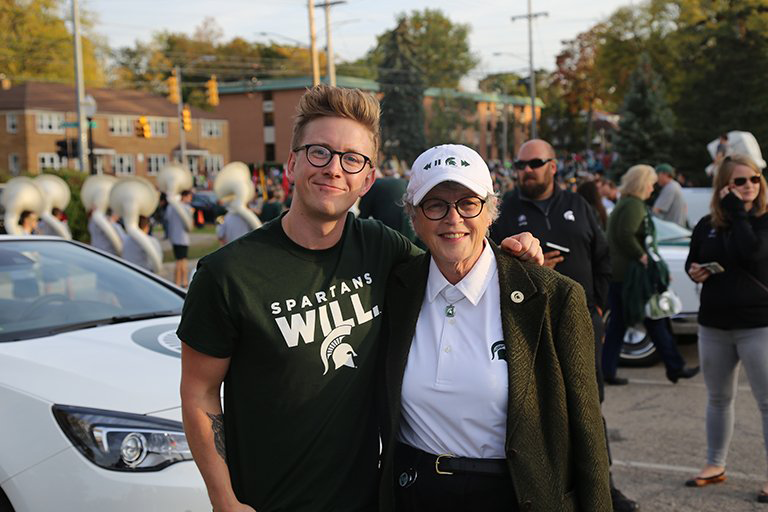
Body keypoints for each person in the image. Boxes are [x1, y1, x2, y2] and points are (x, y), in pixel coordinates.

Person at [177, 85, 542, 512]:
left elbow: (455, 254)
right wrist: (224, 500)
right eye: (319, 152)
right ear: (292, 163)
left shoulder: (381, 248)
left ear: (367, 179)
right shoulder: (227, 275)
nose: (334, 169)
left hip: (370, 501)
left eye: (352, 159)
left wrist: (512, 255)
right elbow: (200, 393)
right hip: (267, 501)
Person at [379, 144, 611, 511]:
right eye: (435, 204)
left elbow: (587, 432)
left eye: (468, 203)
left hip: (514, 496)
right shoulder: (395, 289)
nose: (453, 218)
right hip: (415, 493)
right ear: (414, 216)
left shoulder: (553, 298)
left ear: (490, 211)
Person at [490, 139, 636, 512]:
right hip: (528, 328)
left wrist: (598, 306)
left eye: (535, 163)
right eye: (520, 164)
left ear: (553, 166)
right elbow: (489, 266)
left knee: (589, 408)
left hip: (581, 324)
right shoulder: (504, 210)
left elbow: (602, 256)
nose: (526, 170)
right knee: (537, 410)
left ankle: (605, 487)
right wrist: (540, 277)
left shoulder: (578, 205)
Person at [684, 154, 768, 503]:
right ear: (724, 187)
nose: (749, 186)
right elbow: (693, 258)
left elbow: (751, 253)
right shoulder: (707, 223)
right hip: (715, 323)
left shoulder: (763, 221)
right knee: (719, 398)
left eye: (754, 179)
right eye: (739, 182)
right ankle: (715, 465)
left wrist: (737, 212)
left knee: (766, 402)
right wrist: (695, 271)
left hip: (758, 324)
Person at [602, 164, 699, 385]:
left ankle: (607, 371)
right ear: (641, 183)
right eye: (651, 184)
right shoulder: (634, 205)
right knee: (655, 318)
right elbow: (628, 235)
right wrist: (643, 257)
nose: (652, 189)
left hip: (620, 274)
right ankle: (675, 367)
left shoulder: (623, 204)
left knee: (619, 324)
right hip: (633, 276)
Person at [358, 165, 417, 242]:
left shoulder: (373, 187)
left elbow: (362, 217)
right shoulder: (401, 182)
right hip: (412, 230)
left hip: (389, 236)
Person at [166, 189, 193, 287]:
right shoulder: (186, 208)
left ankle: (177, 281)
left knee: (178, 259)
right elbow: (190, 225)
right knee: (182, 261)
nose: (190, 199)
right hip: (183, 238)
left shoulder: (171, 207)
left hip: (174, 237)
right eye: (190, 197)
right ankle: (183, 282)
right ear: (184, 196)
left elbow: (167, 219)